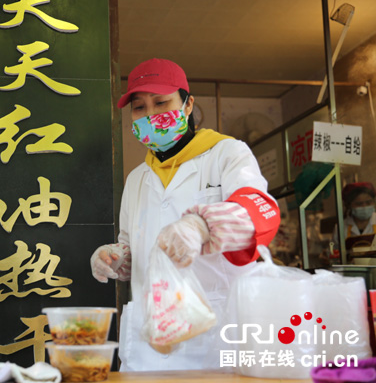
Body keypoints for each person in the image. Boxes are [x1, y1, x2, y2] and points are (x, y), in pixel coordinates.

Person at [89, 58, 280, 371]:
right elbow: (132, 244)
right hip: (147, 346)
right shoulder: (137, 178)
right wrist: (118, 256)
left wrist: (203, 225)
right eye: (139, 108)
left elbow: (257, 210)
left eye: (161, 103)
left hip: (214, 340)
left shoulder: (226, 153)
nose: (150, 115)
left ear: (188, 105)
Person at [332, 182, 376, 250]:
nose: (364, 206)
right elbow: (334, 251)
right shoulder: (340, 228)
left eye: (368, 202)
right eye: (359, 204)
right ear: (348, 205)